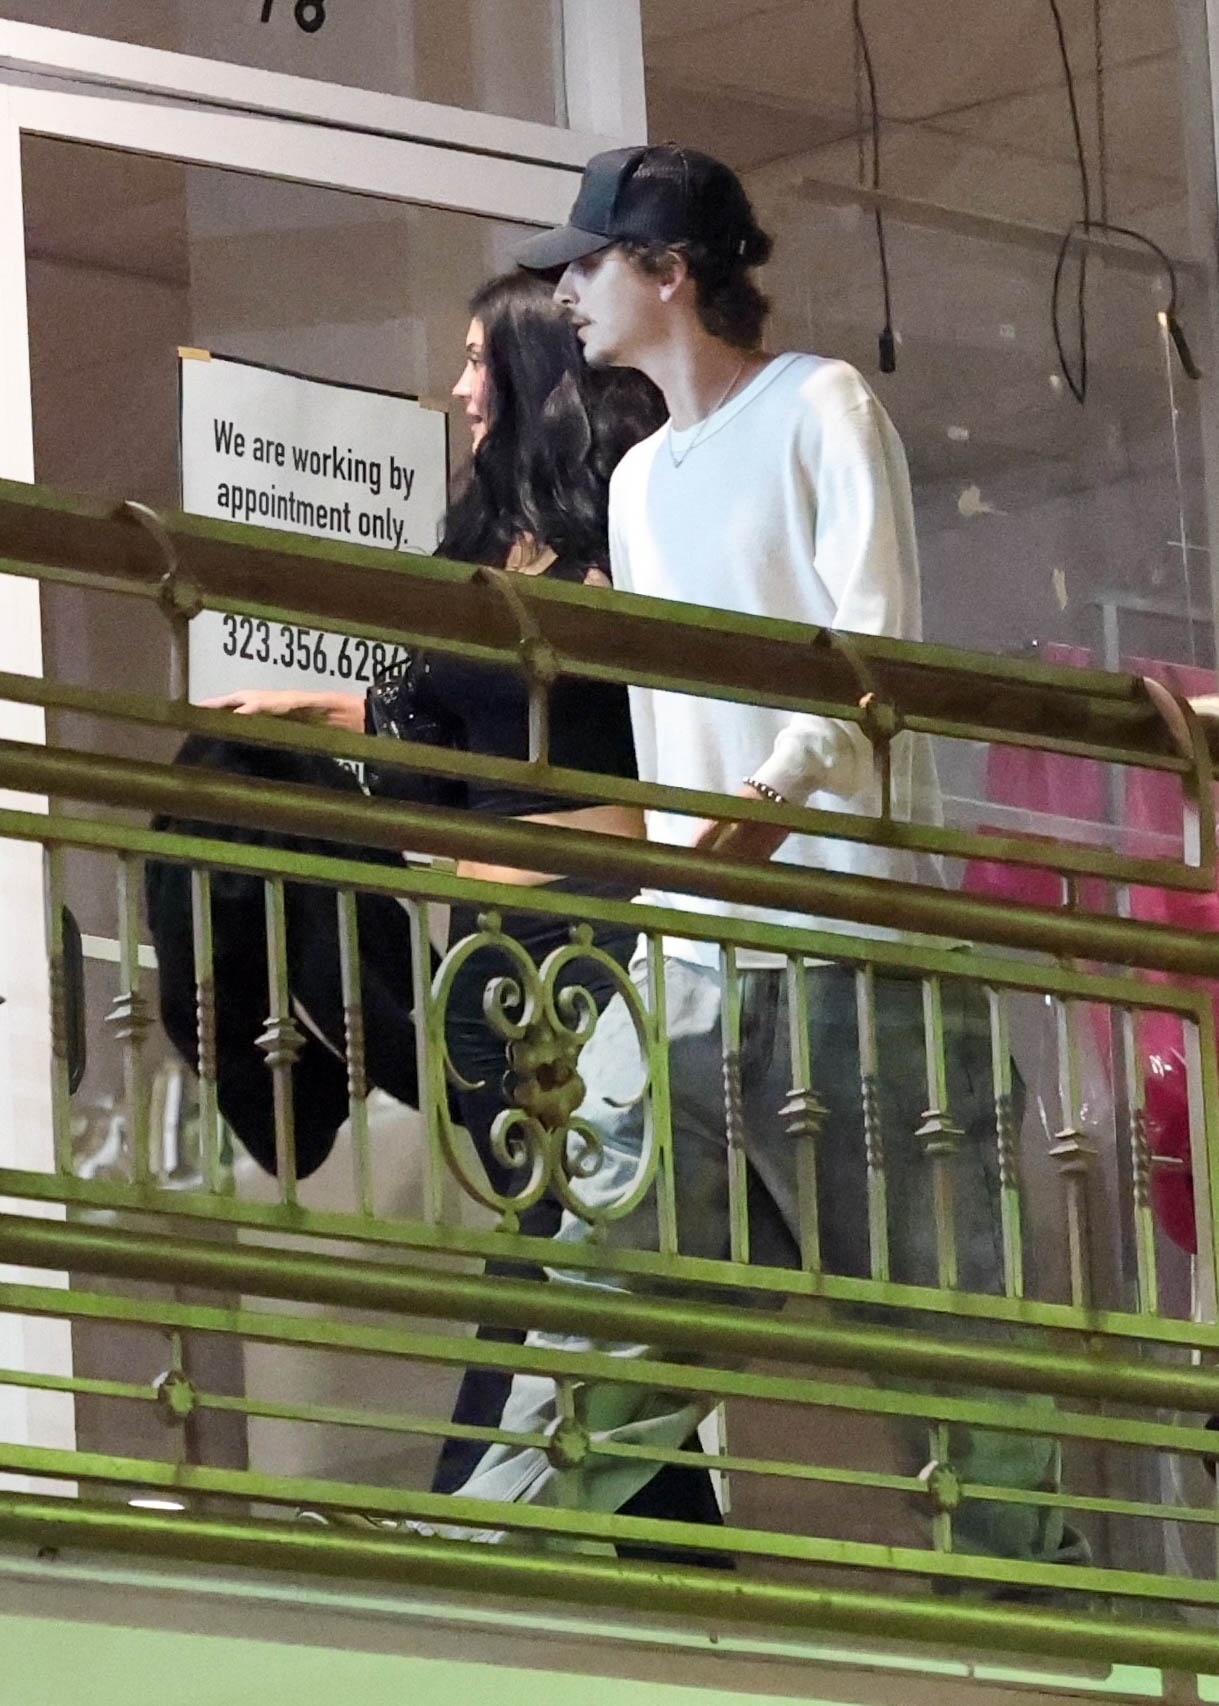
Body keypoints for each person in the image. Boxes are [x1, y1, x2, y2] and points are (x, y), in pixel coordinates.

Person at [437, 148, 1085, 1578]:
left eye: (587, 263)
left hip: (851, 939)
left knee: (948, 1336)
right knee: (602, 1302)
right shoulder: (641, 480)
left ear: (668, 272)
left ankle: (1046, 1608)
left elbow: (873, 648)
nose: (565, 291)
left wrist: (771, 792)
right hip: (694, 946)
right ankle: (476, 1569)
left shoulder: (819, 406)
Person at [205, 269, 723, 1539]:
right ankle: (673, 1558)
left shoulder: (626, 512)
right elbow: (427, 731)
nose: (459, 388)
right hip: (487, 952)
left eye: (481, 359)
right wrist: (308, 713)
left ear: (539, 370)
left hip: (594, 932)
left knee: (559, 1242)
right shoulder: (486, 541)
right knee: (557, 1246)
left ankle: (468, 1512)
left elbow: (664, 701)